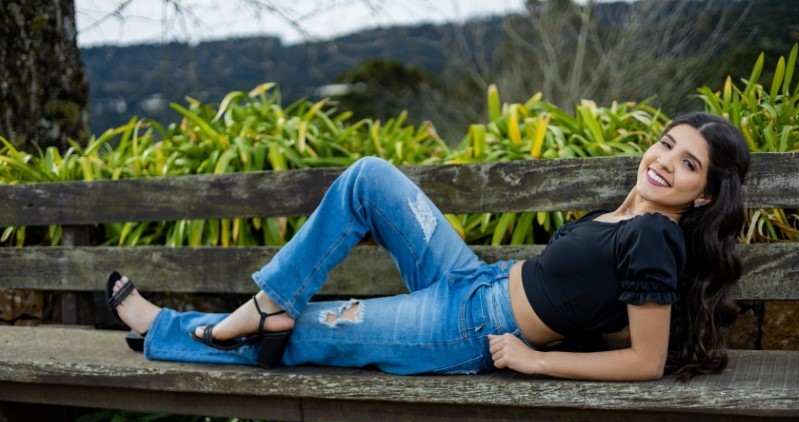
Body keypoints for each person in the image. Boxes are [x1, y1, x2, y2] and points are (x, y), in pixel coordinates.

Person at [108, 112, 749, 381]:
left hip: (463, 329)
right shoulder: (623, 216)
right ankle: (269, 301)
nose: (664, 161)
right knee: (368, 177)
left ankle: (166, 328)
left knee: (310, 330)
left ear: (703, 196)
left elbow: (644, 360)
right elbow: (606, 316)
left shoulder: (656, 236)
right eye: (667, 143)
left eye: (688, 164)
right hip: (472, 279)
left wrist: (535, 360)